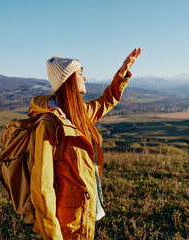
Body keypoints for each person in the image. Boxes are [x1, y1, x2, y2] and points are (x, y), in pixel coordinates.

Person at [28, 48, 141, 239]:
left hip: (84, 211)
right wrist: (52, 234)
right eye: (80, 73)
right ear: (69, 80)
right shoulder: (49, 125)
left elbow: (107, 101)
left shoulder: (78, 114)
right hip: (67, 218)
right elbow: (42, 185)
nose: (85, 78)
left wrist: (122, 73)